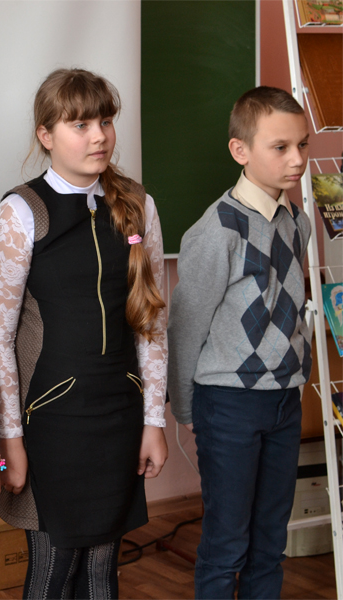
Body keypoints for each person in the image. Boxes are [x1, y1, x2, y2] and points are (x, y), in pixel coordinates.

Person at [0, 68, 169, 599]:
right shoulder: (21, 212)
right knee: (55, 564)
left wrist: (153, 422)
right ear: (45, 135)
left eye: (106, 122)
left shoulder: (138, 205)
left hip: (118, 415)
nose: (99, 137)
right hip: (50, 422)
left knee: (102, 568)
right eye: (81, 125)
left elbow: (152, 323)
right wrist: (9, 441)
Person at [168, 86, 312, 599]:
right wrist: (186, 407)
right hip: (229, 402)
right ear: (240, 150)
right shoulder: (217, 230)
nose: (297, 160)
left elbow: (289, 306)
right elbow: (186, 324)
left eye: (302, 145)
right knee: (227, 542)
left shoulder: (296, 221)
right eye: (281, 147)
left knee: (270, 541)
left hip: (284, 399)